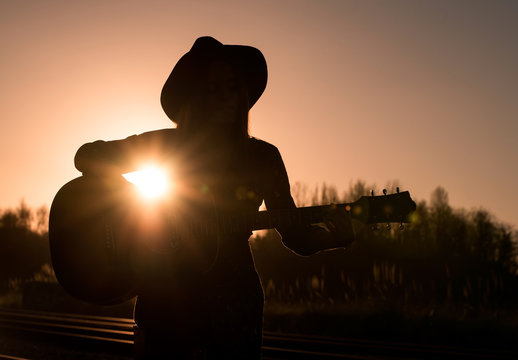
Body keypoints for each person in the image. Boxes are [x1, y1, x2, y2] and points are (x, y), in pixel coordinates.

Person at [74, 36, 355, 359]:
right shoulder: (168, 145)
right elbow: (87, 156)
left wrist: (337, 238)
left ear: (243, 94)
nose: (223, 97)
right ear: (194, 98)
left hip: (233, 307)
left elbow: (296, 236)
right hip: (166, 299)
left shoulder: (263, 157)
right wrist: (128, 212)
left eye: (232, 86)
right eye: (211, 89)